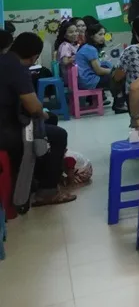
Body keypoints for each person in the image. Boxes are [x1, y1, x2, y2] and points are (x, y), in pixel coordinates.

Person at [0, 33, 75, 206]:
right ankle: (47, 191)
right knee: (57, 135)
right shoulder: (16, 68)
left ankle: (38, 179)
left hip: (7, 123)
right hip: (6, 132)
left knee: (48, 126)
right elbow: (34, 107)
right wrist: (44, 113)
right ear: (34, 56)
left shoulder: (4, 61)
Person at [74, 23, 113, 91]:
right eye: (100, 34)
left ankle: (118, 98)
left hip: (84, 79)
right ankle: (119, 99)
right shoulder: (90, 49)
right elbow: (99, 71)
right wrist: (113, 71)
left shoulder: (87, 46)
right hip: (88, 81)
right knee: (118, 77)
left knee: (107, 65)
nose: (103, 37)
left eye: (104, 34)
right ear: (92, 36)